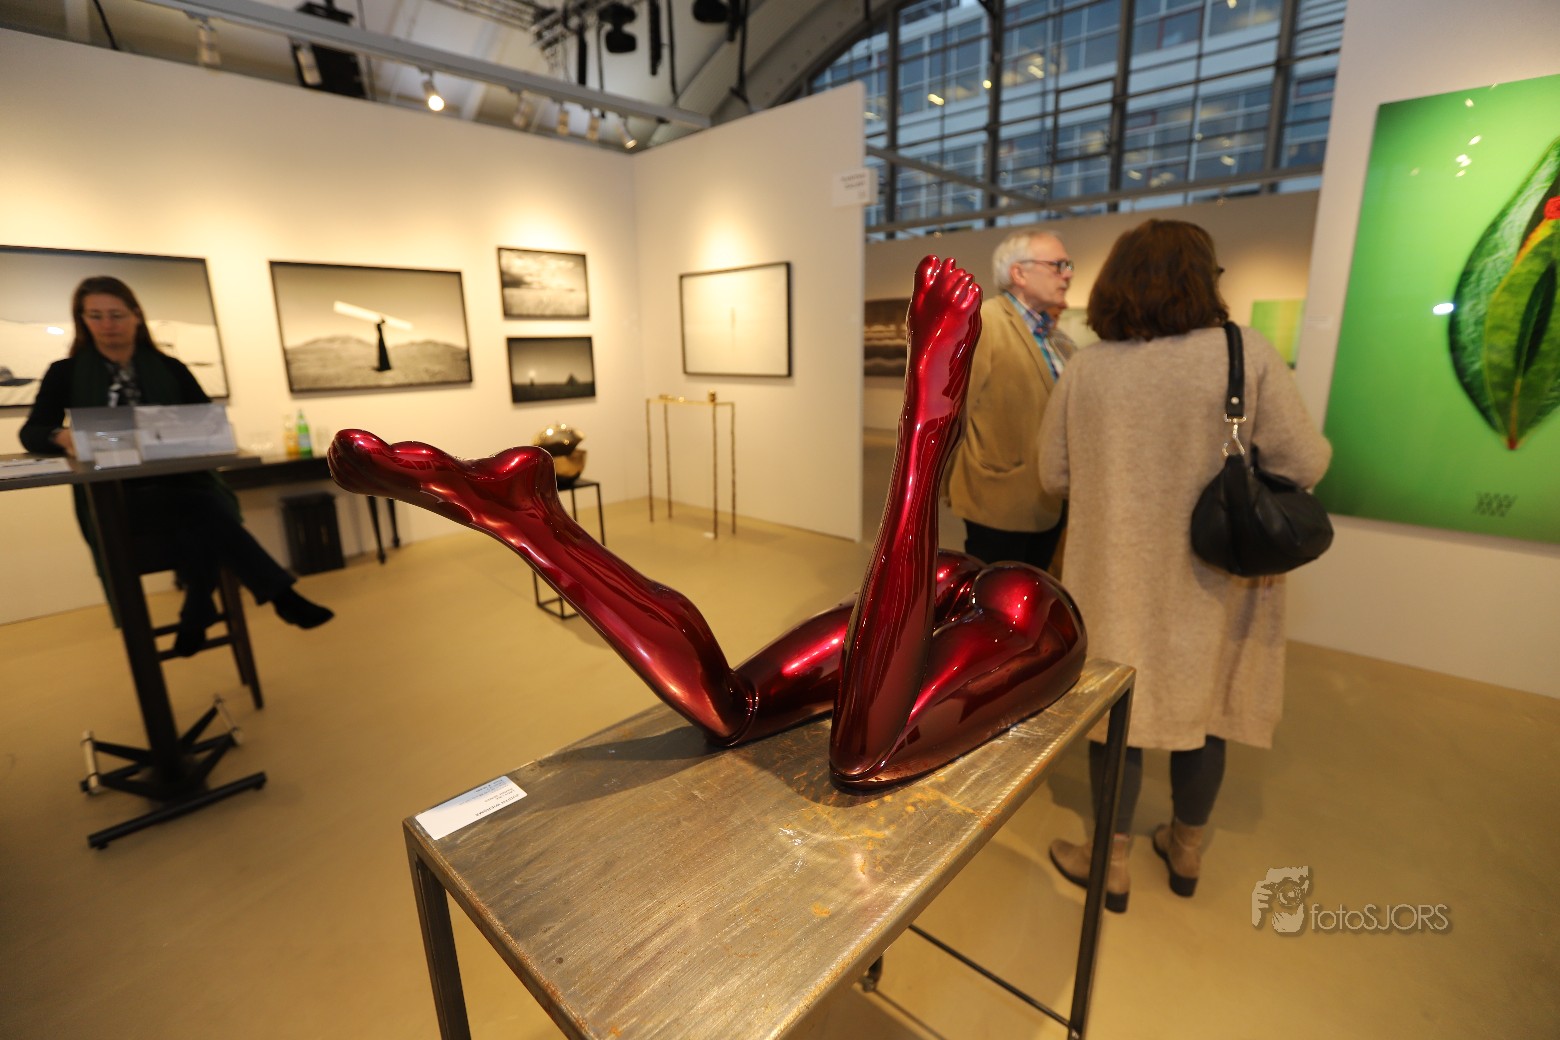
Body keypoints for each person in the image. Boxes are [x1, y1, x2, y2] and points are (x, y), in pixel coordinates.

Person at [328, 256, 1087, 789]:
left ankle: (532, 524)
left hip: (1003, 602)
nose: (1065, 275)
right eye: (1058, 267)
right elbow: (830, 743)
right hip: (993, 598)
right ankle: (527, 519)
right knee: (799, 730)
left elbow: (856, 746)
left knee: (802, 732)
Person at [1037, 219, 1331, 912]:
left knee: (1117, 710)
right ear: (1205, 278)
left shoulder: (1088, 367)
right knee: (1208, 708)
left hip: (1116, 573)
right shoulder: (1245, 353)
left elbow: (1053, 475)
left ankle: (1109, 860)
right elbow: (1304, 463)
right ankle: (1187, 847)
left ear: (1116, 283)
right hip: (1217, 576)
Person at [20, 276, 333, 655]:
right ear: (82, 320)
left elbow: (206, 421)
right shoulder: (65, 372)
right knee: (207, 511)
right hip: (117, 501)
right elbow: (32, 432)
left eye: (116, 315)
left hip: (181, 486)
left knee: (198, 512)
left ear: (136, 316)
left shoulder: (169, 368)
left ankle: (199, 607)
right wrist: (62, 436)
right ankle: (274, 596)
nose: (107, 324)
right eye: (96, 316)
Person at [945, 229, 1077, 572]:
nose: (1067, 274)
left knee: (1035, 592)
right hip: (998, 503)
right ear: (1019, 273)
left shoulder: (1056, 338)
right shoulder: (984, 324)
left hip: (1050, 501)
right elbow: (952, 410)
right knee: (994, 596)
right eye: (1057, 265)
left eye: (1068, 265)